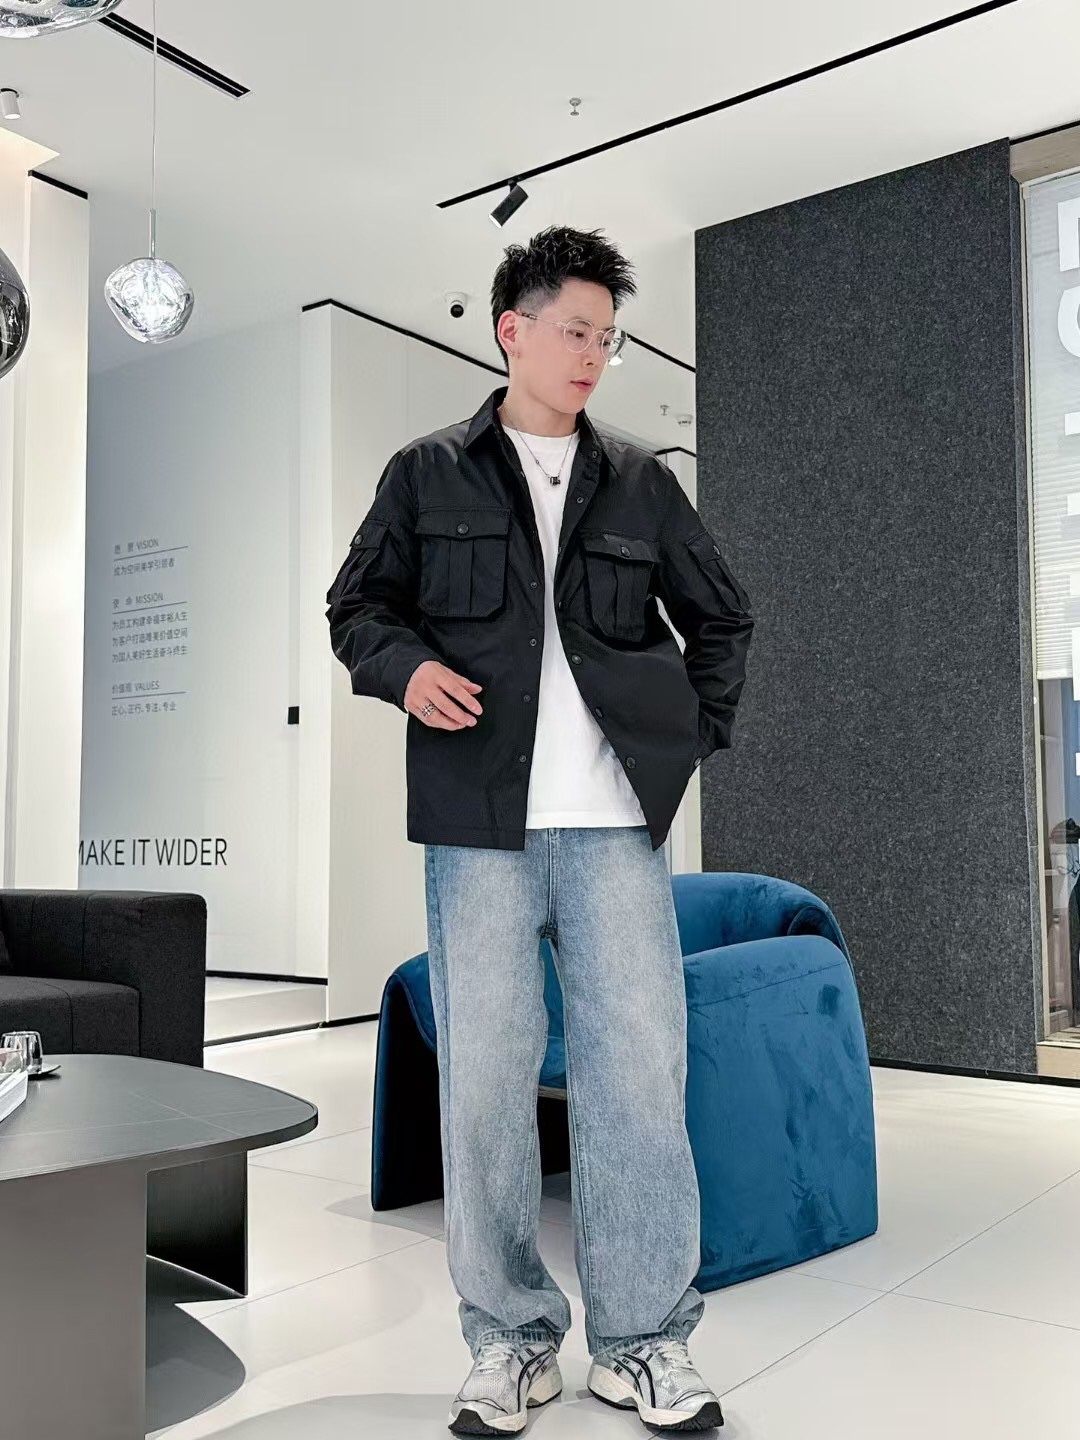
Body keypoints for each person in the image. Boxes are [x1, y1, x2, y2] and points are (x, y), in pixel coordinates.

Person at [326, 225, 754, 1436]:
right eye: (576, 331)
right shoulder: (427, 473)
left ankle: (643, 1342)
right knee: (483, 1088)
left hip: (616, 832)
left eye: (609, 338)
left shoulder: (641, 482)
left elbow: (723, 618)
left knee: (638, 1086)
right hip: (481, 834)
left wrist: (688, 736)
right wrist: (405, 671)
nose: (594, 356)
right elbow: (356, 606)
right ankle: (510, 1341)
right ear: (512, 328)